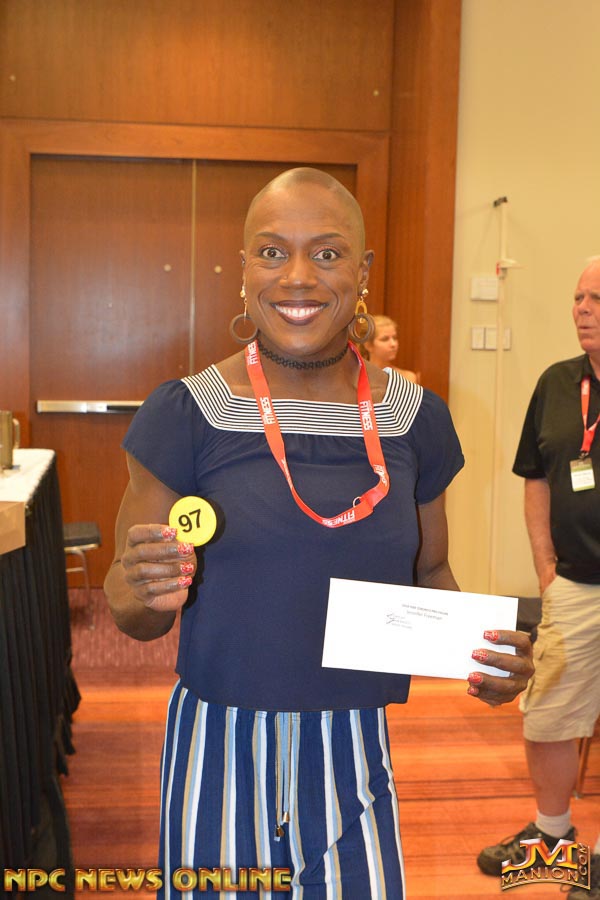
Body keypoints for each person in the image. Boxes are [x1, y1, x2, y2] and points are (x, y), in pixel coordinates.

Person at [105, 167, 533, 900]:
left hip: (353, 746)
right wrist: (144, 588)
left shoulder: (414, 419)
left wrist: (484, 657)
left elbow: (430, 574)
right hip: (221, 743)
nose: (297, 276)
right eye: (272, 252)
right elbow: (128, 606)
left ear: (362, 272)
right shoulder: (188, 412)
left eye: (327, 254)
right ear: (245, 270)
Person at [477, 259, 600, 899]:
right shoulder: (557, 383)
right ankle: (553, 836)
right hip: (573, 583)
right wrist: (545, 567)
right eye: (578, 297)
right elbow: (535, 477)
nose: (582, 308)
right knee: (547, 714)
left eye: (597, 298)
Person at [361, 314, 418, 382]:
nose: (393, 344)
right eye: (385, 339)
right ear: (368, 345)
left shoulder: (408, 378)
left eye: (394, 338)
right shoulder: (356, 377)